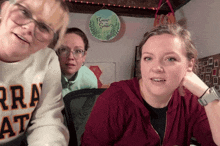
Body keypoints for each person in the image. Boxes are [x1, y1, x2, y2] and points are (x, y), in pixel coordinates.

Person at [81, 24, 220, 146]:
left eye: (170, 59)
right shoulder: (114, 98)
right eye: (148, 58)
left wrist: (206, 94)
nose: (156, 67)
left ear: (189, 64)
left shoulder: (190, 100)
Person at [0, 0, 70, 145]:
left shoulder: (48, 59)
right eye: (24, 12)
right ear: (3, 7)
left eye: (44, 27)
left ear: (49, 41)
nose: (29, 28)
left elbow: (47, 119)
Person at [57, 27, 98, 97]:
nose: (70, 57)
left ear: (84, 56)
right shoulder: (43, 77)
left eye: (78, 51)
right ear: (57, 53)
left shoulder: (89, 80)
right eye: (64, 50)